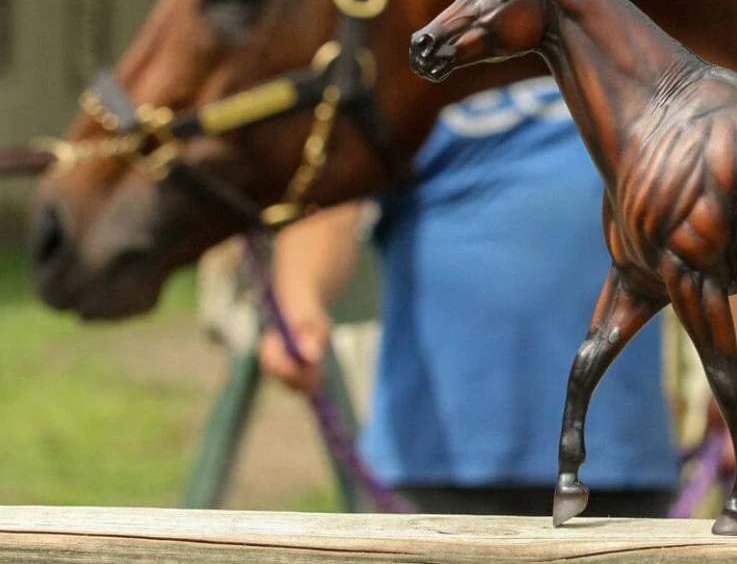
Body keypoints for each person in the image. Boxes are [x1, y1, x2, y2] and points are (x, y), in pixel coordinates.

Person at [260, 75, 691, 516]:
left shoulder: (631, 55)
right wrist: (300, 304)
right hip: (434, 464)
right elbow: (333, 196)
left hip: (620, 460)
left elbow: (699, 211)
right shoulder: (410, 57)